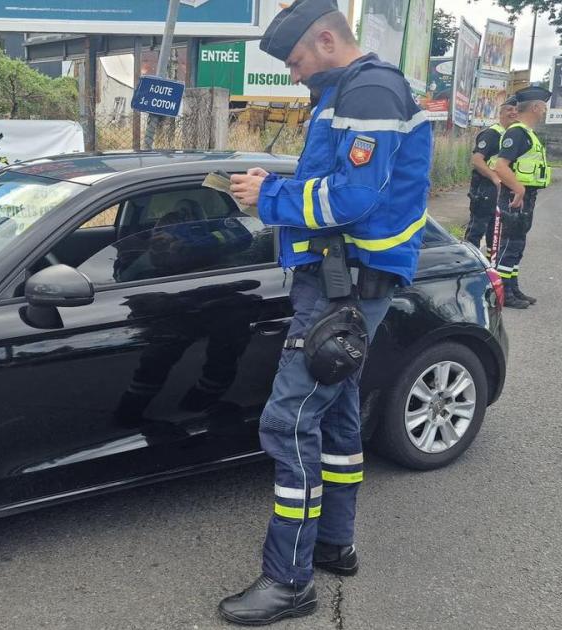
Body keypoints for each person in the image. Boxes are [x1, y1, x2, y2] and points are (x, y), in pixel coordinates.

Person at [220, 0, 432, 624]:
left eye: (296, 60)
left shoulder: (368, 91)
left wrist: (271, 195)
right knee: (337, 417)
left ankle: (289, 582)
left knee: (286, 423)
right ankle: (335, 544)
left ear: (325, 39)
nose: (292, 72)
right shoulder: (350, 91)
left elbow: (355, 195)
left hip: (347, 287)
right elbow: (341, 182)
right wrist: (277, 188)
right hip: (339, 283)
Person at [492, 86, 553, 309]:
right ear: (536, 107)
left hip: (525, 197)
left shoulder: (527, 133)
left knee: (517, 245)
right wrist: (518, 189)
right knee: (509, 245)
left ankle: (512, 288)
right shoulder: (517, 132)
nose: (545, 111)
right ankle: (502, 293)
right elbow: (501, 166)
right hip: (514, 198)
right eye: (544, 106)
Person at [465, 100, 518, 249]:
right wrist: (495, 178)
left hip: (502, 190)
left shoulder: (513, 135)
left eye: (516, 109)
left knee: (495, 231)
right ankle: (470, 264)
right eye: (509, 109)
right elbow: (477, 160)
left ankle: (490, 265)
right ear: (500, 114)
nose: (513, 112)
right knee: (477, 228)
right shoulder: (492, 133)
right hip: (485, 188)